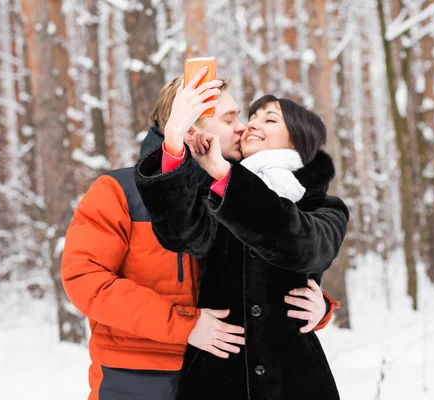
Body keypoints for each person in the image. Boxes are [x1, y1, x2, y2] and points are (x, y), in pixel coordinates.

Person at [61, 75, 337, 400]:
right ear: (191, 125)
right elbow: (86, 281)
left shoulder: (237, 193)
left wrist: (319, 307)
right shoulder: (118, 191)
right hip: (140, 382)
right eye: (229, 118)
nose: (242, 127)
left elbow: (261, 275)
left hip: (221, 381)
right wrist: (184, 325)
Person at [134, 67, 349, 400]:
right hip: (216, 377)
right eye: (245, 118)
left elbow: (302, 246)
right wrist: (175, 143)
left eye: (270, 120)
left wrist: (324, 306)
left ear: (299, 139)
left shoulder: (324, 205)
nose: (248, 125)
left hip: (295, 380)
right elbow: (184, 237)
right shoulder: (213, 195)